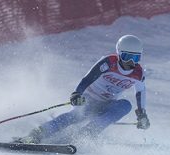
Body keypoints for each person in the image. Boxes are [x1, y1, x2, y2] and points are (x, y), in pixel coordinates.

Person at [16, 35, 150, 144]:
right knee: (75, 116)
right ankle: (36, 134)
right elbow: (88, 78)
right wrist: (77, 94)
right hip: (89, 100)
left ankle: (85, 135)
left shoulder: (138, 73)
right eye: (127, 57)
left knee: (126, 105)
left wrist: (142, 115)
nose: (131, 63)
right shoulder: (109, 62)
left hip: (107, 105)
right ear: (119, 53)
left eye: (136, 58)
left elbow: (140, 92)